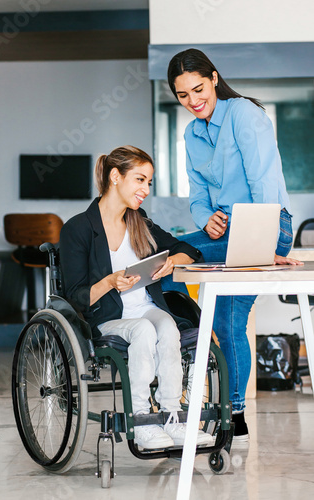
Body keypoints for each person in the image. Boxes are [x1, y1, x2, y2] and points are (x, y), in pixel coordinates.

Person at [166, 48, 303, 441]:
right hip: (223, 233)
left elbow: (262, 181)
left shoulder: (243, 112)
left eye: (198, 89)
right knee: (164, 266)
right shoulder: (192, 133)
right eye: (183, 96)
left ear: (213, 78)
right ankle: (226, 401)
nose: (193, 102)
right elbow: (196, 195)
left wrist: (262, 247)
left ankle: (232, 408)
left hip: (266, 224)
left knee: (223, 317)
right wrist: (204, 217)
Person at [60, 145, 214, 450]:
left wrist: (172, 261)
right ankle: (141, 418)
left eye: (149, 183)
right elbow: (76, 298)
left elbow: (188, 249)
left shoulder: (138, 221)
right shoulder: (78, 228)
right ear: (115, 176)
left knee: (168, 325)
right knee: (145, 329)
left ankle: (172, 415)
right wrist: (110, 281)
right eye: (140, 180)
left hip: (145, 309)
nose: (145, 189)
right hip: (108, 319)